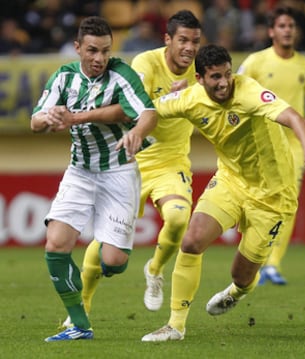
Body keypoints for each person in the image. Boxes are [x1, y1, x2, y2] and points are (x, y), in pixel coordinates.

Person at [141, 44, 305, 342]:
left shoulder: (248, 92)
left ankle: (238, 291)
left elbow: (292, 116)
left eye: (227, 74)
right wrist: (127, 130)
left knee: (241, 274)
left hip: (273, 195)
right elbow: (148, 107)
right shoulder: (189, 99)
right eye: (215, 77)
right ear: (199, 78)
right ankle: (175, 326)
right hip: (230, 181)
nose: (224, 82)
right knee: (191, 240)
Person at [63, 10, 201, 325]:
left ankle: (155, 269)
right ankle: (80, 308)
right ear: (168, 40)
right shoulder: (144, 64)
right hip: (132, 159)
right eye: (183, 40)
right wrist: (171, 97)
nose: (190, 48)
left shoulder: (201, 71)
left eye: (195, 41)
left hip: (172, 160)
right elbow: (131, 110)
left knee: (179, 218)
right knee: (105, 239)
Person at [31, 16, 157, 342]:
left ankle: (109, 252)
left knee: (113, 262)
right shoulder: (64, 77)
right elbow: (36, 121)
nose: (99, 58)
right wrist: (51, 117)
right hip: (80, 171)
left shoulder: (121, 73)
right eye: (91, 51)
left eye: (104, 51)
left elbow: (147, 114)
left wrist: (137, 134)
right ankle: (80, 324)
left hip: (118, 170)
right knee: (56, 245)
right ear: (77, 48)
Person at [237, 6, 305, 285]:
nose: (288, 29)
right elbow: (236, 89)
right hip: (261, 142)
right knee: (255, 202)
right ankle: (255, 256)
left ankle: (272, 264)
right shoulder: (255, 62)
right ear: (272, 31)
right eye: (282, 25)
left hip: (293, 144)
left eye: (291, 25)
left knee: (288, 203)